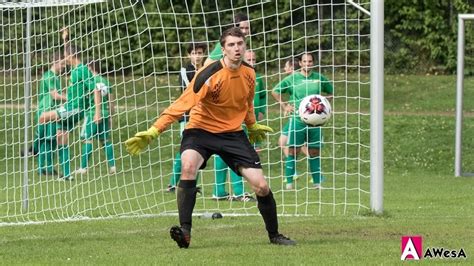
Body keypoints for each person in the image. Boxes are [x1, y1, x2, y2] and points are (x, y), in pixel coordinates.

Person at [125, 27, 296, 248]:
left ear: (245, 47)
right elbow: (182, 103)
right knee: (188, 166)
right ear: (223, 49)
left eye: (240, 44)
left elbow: (247, 103)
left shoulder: (250, 73)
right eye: (231, 45)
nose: (236, 48)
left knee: (261, 186)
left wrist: (252, 126)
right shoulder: (208, 73)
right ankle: (185, 232)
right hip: (200, 130)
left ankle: (274, 235)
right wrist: (155, 130)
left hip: (232, 134)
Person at [271, 53, 333, 190]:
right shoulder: (292, 78)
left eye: (310, 61)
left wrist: (325, 107)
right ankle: (289, 183)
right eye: (305, 61)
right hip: (297, 120)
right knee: (293, 151)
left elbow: (331, 92)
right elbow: (275, 91)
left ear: (313, 63)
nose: (307, 64)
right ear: (300, 63)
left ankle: (317, 183)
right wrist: (285, 105)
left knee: (314, 152)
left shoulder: (319, 78)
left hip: (315, 122)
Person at [211, 50, 265, 202]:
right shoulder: (226, 73)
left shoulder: (255, 76)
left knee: (242, 154)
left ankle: (232, 191)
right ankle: (229, 191)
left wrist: (261, 111)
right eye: (249, 59)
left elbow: (261, 96)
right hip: (231, 120)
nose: (252, 62)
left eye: (254, 59)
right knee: (230, 154)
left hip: (249, 120)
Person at [38, 42, 96, 180]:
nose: (64, 60)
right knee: (60, 136)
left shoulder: (82, 70)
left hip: (74, 109)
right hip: (71, 108)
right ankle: (67, 175)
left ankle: (34, 150)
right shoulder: (76, 69)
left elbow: (96, 89)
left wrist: (97, 112)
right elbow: (68, 52)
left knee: (43, 117)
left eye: (66, 56)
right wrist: (65, 39)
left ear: (71, 56)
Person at [167, 41, 207, 192]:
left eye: (199, 53)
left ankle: (192, 184)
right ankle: (172, 183)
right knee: (185, 149)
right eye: (194, 53)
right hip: (187, 116)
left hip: (204, 116)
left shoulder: (206, 68)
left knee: (199, 150)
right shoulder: (185, 70)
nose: (197, 56)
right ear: (189, 55)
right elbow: (191, 90)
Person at [74, 60, 116, 175]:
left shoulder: (90, 81)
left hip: (93, 113)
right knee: (105, 140)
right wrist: (111, 116)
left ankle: (83, 168)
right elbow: (111, 101)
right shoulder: (105, 81)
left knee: (87, 139)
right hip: (105, 113)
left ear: (89, 67)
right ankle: (113, 166)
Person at [36, 51, 67, 176]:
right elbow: (54, 95)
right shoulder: (49, 76)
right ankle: (42, 168)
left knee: (50, 140)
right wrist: (71, 99)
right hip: (47, 111)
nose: (64, 66)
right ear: (55, 62)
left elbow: (58, 94)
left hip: (52, 111)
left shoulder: (56, 77)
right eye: (62, 63)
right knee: (46, 140)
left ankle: (47, 168)